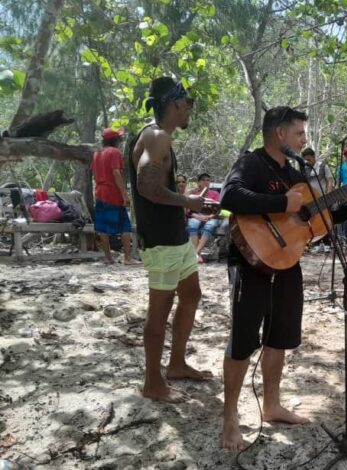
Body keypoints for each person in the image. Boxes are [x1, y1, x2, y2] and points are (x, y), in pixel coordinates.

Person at [219, 106, 347, 451]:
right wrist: (279, 202)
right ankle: (229, 418)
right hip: (249, 260)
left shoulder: (294, 175)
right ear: (280, 135)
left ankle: (272, 405)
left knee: (280, 337)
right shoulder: (251, 163)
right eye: (300, 133)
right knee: (243, 340)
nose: (304, 139)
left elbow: (319, 220)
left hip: (287, 261)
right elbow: (229, 197)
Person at [128, 76, 212, 404]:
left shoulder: (159, 138)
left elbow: (156, 187)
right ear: (176, 104)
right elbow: (147, 187)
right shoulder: (156, 136)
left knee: (191, 294)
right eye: (188, 104)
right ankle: (152, 382)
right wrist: (187, 203)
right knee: (159, 311)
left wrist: (185, 198)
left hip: (176, 238)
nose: (190, 110)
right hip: (162, 240)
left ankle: (176, 364)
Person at [91, 127, 139, 265]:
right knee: (124, 225)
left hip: (100, 192)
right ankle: (128, 258)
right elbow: (116, 173)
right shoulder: (115, 152)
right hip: (113, 193)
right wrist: (124, 194)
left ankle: (108, 258)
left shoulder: (96, 153)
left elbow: (94, 174)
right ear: (116, 140)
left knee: (102, 227)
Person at [186, 172, 222, 263]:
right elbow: (188, 209)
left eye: (208, 180)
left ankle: (196, 253)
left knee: (209, 226)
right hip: (196, 216)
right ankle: (196, 255)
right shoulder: (193, 193)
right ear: (198, 182)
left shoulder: (215, 193)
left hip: (212, 217)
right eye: (203, 180)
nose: (206, 182)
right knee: (192, 224)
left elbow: (218, 209)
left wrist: (210, 216)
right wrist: (197, 216)